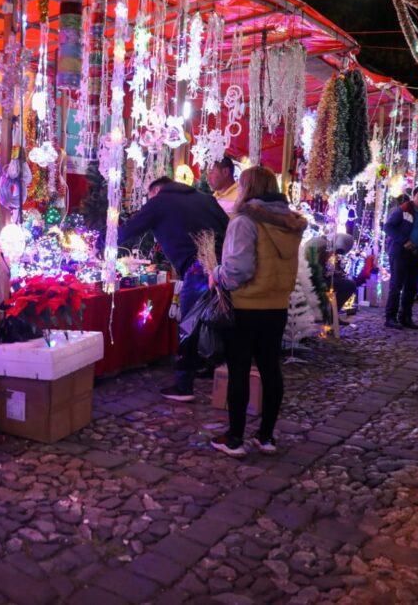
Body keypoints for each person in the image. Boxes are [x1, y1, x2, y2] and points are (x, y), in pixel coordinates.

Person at [208, 166, 306, 457]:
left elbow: (238, 269)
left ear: (247, 187)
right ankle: (266, 437)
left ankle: (235, 438)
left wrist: (217, 273)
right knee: (270, 369)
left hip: (246, 305)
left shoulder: (245, 221)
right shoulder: (290, 223)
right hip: (276, 306)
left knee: (239, 370)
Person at [119, 176, 229, 402]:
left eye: (149, 197)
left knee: (189, 324)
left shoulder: (161, 201)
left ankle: (184, 385)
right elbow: (228, 228)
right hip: (223, 267)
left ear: (156, 190)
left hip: (198, 267)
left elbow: (130, 229)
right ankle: (217, 372)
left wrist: (102, 241)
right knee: (217, 320)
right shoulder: (206, 199)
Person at [382, 185, 418, 330]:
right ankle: (390, 317)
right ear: (414, 196)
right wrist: (404, 241)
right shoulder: (404, 210)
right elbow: (387, 227)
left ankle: (406, 317)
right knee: (396, 285)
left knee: (411, 287)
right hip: (400, 252)